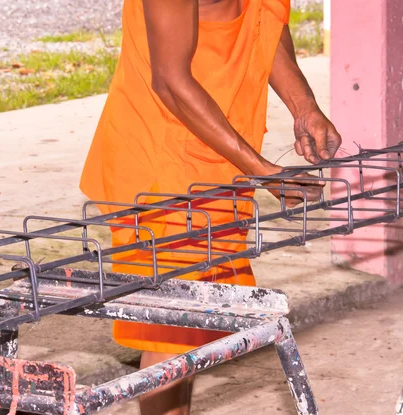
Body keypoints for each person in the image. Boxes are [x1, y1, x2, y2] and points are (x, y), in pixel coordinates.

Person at [79, 0, 342, 414]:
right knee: (171, 329)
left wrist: (304, 107)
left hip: (220, 163)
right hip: (159, 168)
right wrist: (263, 170)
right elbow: (169, 81)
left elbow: (264, 24)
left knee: (193, 324)